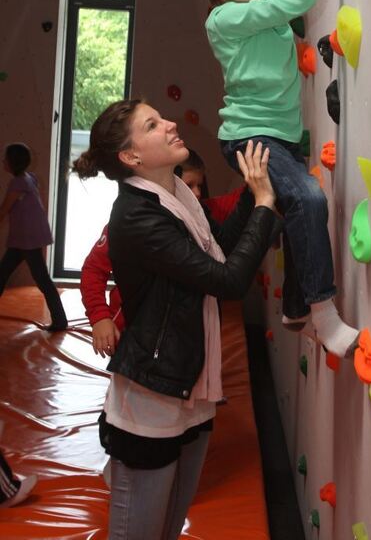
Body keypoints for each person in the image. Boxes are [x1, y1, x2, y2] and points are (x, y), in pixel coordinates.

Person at [73, 99, 276, 540]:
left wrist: (252, 188)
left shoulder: (179, 192)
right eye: (153, 124)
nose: (169, 124)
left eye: (161, 117)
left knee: (167, 530)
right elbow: (227, 279)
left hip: (191, 386)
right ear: (132, 157)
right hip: (152, 399)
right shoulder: (137, 215)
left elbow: (218, 244)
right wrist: (263, 206)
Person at [188, 0, 360, 358]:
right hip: (249, 136)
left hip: (278, 135)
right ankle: (323, 314)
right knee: (308, 199)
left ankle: (292, 306)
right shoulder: (227, 18)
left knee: (296, 212)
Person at [80, 150, 245, 358]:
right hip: (133, 330)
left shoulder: (199, 217)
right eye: (190, 185)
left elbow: (233, 202)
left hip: (175, 335)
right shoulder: (132, 223)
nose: (197, 193)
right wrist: (100, 317)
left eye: (200, 186)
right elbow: (93, 270)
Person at [0, 143, 67, 331]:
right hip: (24, 238)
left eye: (6, 158)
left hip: (28, 239)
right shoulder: (30, 178)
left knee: (41, 278)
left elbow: (5, 209)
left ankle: (60, 320)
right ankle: (60, 319)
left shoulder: (18, 182)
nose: (3, 161)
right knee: (3, 272)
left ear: (12, 163)